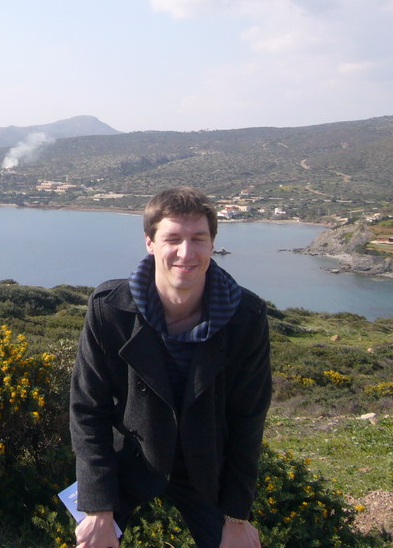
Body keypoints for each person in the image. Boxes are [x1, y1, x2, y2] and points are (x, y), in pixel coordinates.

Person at [70, 186, 271, 548]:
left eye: (198, 239)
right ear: (149, 242)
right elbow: (88, 410)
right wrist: (98, 507)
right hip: (130, 459)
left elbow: (248, 418)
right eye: (172, 238)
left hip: (209, 466)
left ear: (212, 244)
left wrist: (237, 515)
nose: (186, 252)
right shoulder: (110, 310)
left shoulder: (247, 318)